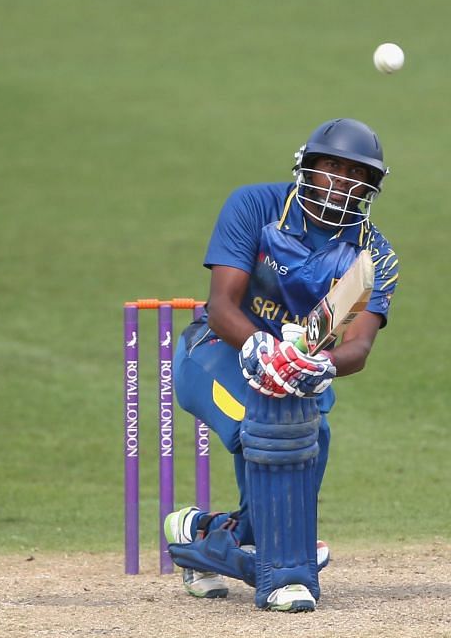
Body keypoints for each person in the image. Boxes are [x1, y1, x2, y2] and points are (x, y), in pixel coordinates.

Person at [160, 119, 401, 612]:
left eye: (356, 172)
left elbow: (358, 346)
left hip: (299, 379)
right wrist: (263, 350)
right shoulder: (254, 206)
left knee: (303, 456)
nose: (341, 180)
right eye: (331, 166)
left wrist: (323, 366)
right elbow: (223, 305)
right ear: (307, 166)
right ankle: (283, 573)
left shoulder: (374, 255)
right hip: (213, 354)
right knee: (268, 427)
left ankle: (201, 535)